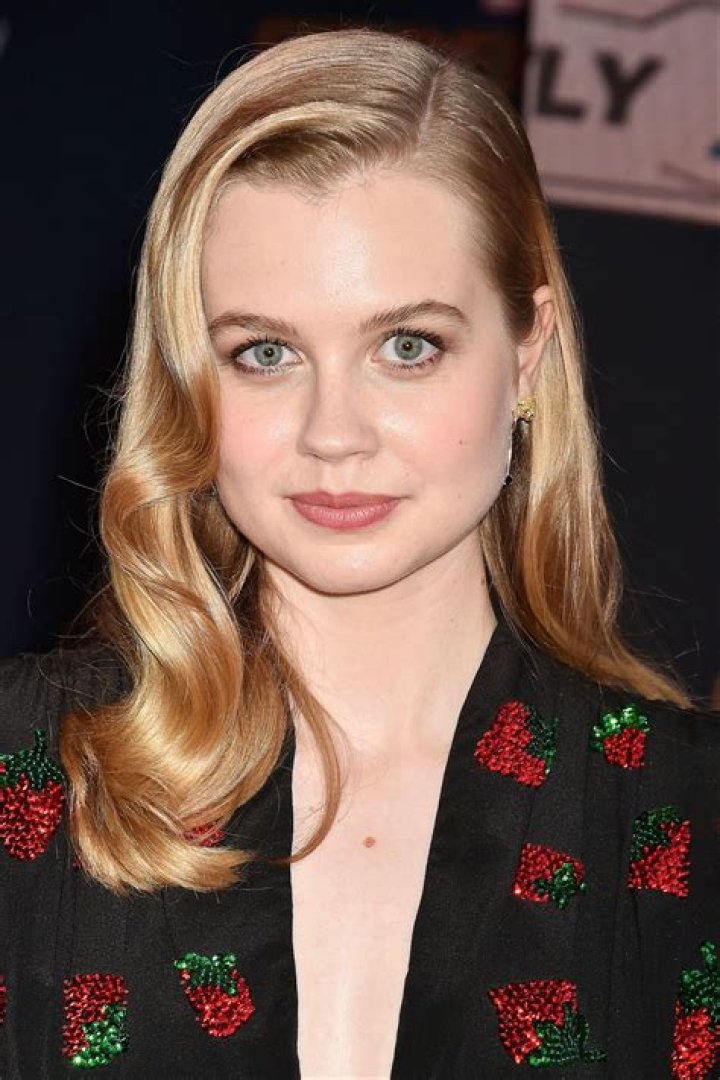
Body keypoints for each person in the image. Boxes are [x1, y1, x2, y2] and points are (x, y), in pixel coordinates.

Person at [0, 27, 717, 1080]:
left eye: (407, 346)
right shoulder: (28, 769)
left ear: (527, 355)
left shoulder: (685, 815)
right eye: (265, 353)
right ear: (188, 379)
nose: (333, 433)